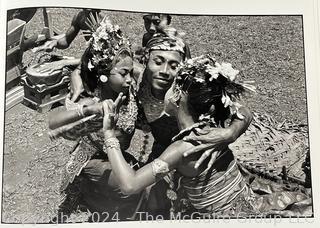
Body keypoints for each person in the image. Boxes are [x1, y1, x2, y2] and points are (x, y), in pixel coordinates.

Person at [100, 55, 311, 217]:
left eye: (172, 85)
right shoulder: (212, 123)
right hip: (248, 204)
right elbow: (244, 112)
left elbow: (129, 185)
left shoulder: (183, 148)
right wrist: (229, 132)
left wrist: (109, 134)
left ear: (176, 96)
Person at [49, 17, 144, 221]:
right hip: (90, 159)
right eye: (124, 73)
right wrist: (88, 110)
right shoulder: (93, 100)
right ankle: (88, 192)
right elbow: (54, 123)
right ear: (103, 74)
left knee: (140, 181)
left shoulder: (129, 91)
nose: (130, 78)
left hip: (113, 154)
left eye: (131, 72)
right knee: (130, 186)